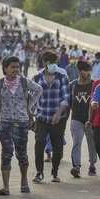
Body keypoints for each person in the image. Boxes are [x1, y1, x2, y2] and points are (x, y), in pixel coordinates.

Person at [0, 56, 42, 195]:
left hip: (22, 123)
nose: (15, 69)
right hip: (5, 124)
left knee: (22, 154)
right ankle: (6, 187)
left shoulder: (24, 82)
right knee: (6, 153)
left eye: (17, 67)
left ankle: (24, 181)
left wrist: (29, 107)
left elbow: (39, 90)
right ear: (5, 68)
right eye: (12, 67)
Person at [32, 50, 70, 183]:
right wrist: (31, 114)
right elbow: (32, 98)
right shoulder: (36, 78)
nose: (53, 65)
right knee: (39, 143)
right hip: (42, 117)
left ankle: (55, 172)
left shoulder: (62, 77)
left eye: (55, 62)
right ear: (44, 63)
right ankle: (39, 172)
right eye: (50, 62)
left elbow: (66, 98)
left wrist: (59, 113)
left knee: (58, 146)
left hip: (58, 118)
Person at [68, 61, 97, 178]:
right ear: (80, 71)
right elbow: (68, 102)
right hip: (76, 119)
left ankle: (92, 164)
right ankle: (76, 166)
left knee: (92, 143)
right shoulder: (73, 85)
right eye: (85, 71)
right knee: (76, 142)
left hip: (91, 120)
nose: (88, 73)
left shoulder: (94, 85)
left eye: (89, 70)